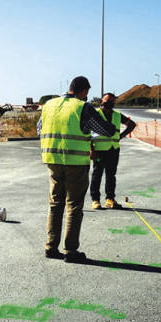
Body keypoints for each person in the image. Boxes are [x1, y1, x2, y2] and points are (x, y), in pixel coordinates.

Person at [38, 76, 117, 262]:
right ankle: (71, 251)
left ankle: (51, 247)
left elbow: (39, 130)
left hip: (53, 160)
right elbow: (106, 130)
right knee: (74, 205)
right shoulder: (83, 107)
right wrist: (112, 127)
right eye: (87, 93)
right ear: (83, 90)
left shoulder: (49, 105)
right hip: (75, 163)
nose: (86, 97)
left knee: (55, 203)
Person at [89, 93, 137, 210]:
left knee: (111, 176)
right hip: (99, 150)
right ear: (101, 101)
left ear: (114, 103)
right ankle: (95, 200)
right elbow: (87, 133)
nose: (109, 103)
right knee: (97, 174)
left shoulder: (117, 115)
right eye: (106, 100)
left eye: (111, 101)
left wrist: (121, 136)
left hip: (113, 149)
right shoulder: (95, 114)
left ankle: (110, 199)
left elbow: (132, 124)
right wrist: (91, 149)